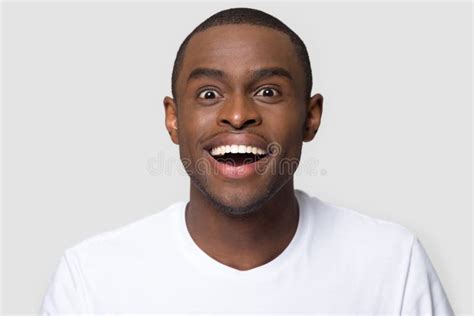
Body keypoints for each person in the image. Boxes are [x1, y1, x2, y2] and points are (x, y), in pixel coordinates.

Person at [40, 7, 454, 314]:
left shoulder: (393, 264)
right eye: (208, 94)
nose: (237, 115)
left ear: (311, 118)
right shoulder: (92, 280)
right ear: (173, 119)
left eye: (269, 92)